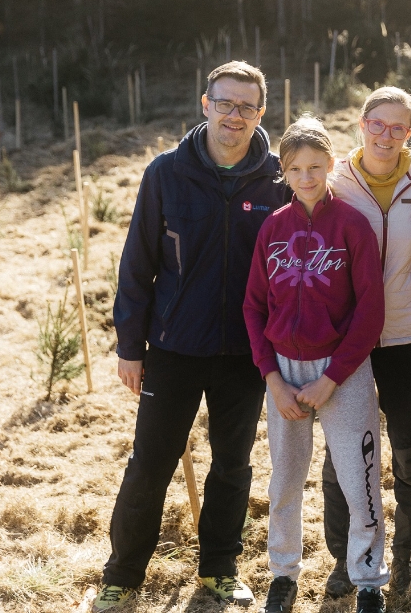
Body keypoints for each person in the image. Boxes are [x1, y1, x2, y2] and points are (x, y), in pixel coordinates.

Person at [98, 61, 286, 611]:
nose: (235, 115)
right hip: (174, 347)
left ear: (260, 113)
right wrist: (131, 347)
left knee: (234, 463)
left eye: (246, 107)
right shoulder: (165, 173)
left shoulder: (277, 177)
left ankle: (220, 568)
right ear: (205, 104)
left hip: (246, 352)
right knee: (150, 462)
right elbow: (136, 266)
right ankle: (123, 574)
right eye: (224, 103)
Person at [243, 116, 387, 613]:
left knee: (359, 476)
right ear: (283, 172)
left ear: (331, 164)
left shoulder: (352, 226)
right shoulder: (273, 228)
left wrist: (333, 377)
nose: (307, 176)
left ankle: (368, 581)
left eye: (316, 166)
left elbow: (370, 311)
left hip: (341, 371)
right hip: (284, 369)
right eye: (296, 168)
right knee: (284, 478)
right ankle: (282, 573)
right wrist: (273, 379)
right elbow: (254, 307)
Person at [324, 86, 411, 598]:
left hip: (404, 336)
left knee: (410, 448)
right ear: (361, 126)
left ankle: (409, 552)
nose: (386, 136)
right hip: (346, 339)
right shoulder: (335, 181)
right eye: (378, 124)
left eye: (399, 127)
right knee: (343, 454)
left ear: (410, 131)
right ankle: (344, 556)